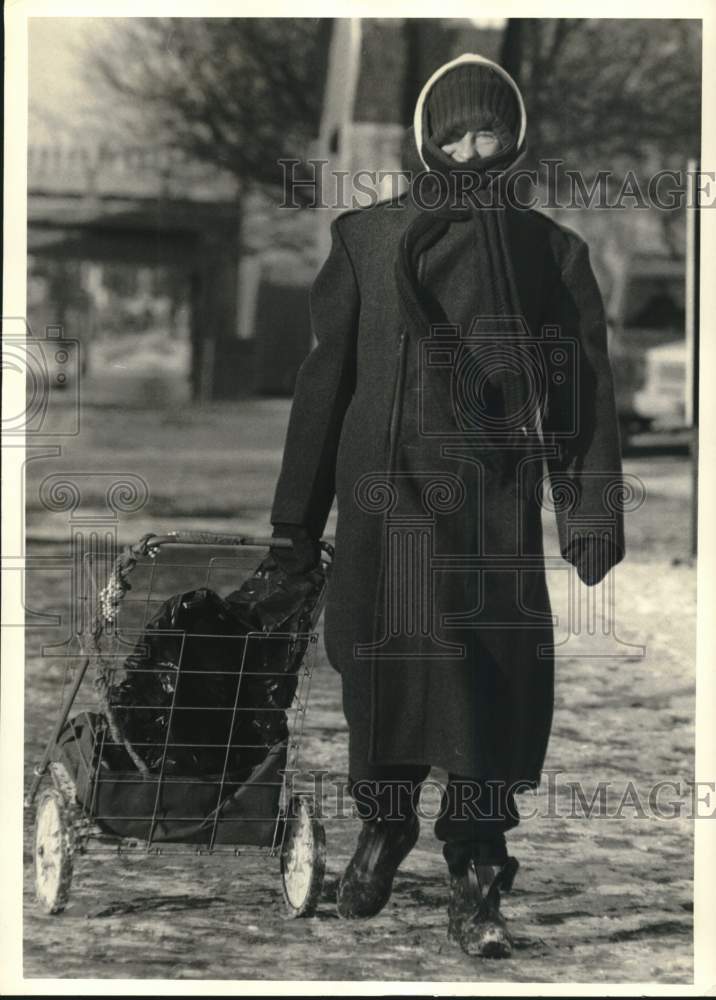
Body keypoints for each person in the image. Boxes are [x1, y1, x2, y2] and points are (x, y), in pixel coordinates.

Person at [270, 53, 625, 958]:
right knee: (381, 682)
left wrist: (589, 508)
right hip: (383, 509)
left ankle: (476, 867)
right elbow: (324, 390)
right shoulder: (367, 239)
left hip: (489, 510)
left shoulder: (550, 253)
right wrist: (292, 527)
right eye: (457, 132)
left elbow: (579, 389)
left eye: (491, 132)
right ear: (430, 138)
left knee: (489, 690)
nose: (473, 148)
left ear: (516, 139)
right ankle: (383, 827)